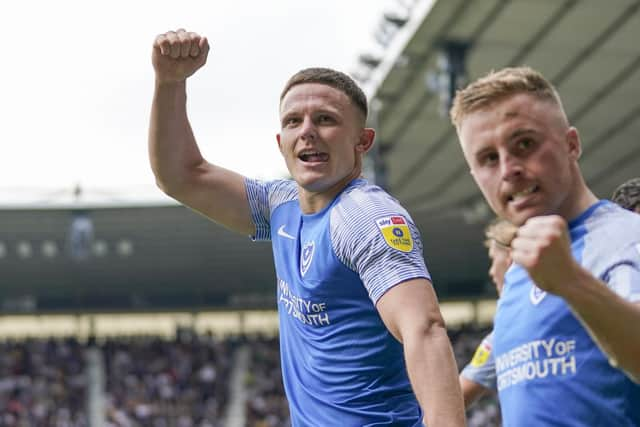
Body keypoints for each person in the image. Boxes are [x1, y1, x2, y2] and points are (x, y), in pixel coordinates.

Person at [148, 29, 465, 426]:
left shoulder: (365, 216)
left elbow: (425, 328)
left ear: (362, 141)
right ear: (281, 142)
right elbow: (180, 176)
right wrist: (170, 82)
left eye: (326, 119)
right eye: (294, 121)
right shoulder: (280, 205)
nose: (307, 130)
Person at [450, 66, 640, 425]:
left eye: (525, 144)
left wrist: (569, 281)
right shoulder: (520, 273)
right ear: (475, 177)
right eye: (488, 158)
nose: (508, 169)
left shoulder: (626, 237)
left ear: (572, 144)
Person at [459, 218, 513, 409]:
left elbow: (457, 397)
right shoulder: (504, 329)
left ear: (511, 257)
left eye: (493, 259)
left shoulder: (510, 325)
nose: (491, 272)